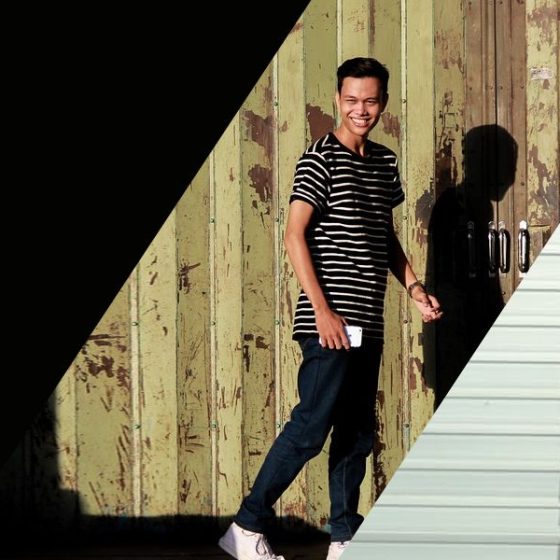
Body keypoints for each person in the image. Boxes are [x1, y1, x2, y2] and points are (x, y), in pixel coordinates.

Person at [218, 56, 442, 560]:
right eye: (351, 100)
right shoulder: (319, 158)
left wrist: (413, 287)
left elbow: (382, 234)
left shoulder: (383, 162)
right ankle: (247, 527)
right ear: (338, 99)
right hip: (329, 320)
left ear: (383, 103)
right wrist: (322, 310)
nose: (360, 110)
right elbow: (294, 234)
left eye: (370, 101)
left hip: (367, 319)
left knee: (356, 433)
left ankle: (343, 537)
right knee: (311, 426)